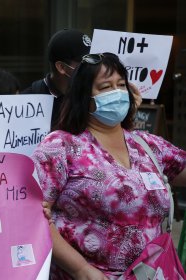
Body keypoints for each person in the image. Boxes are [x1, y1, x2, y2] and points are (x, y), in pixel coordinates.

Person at [32, 53, 186, 279]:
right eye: (105, 87)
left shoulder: (147, 144)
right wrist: (81, 270)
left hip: (152, 272)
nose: (117, 92)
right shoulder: (60, 146)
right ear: (84, 96)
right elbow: (35, 216)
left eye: (121, 84)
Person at [22, 29, 142, 130]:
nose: (91, 66)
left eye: (94, 59)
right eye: (84, 61)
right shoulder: (26, 103)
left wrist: (125, 112)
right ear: (62, 67)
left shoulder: (96, 97)